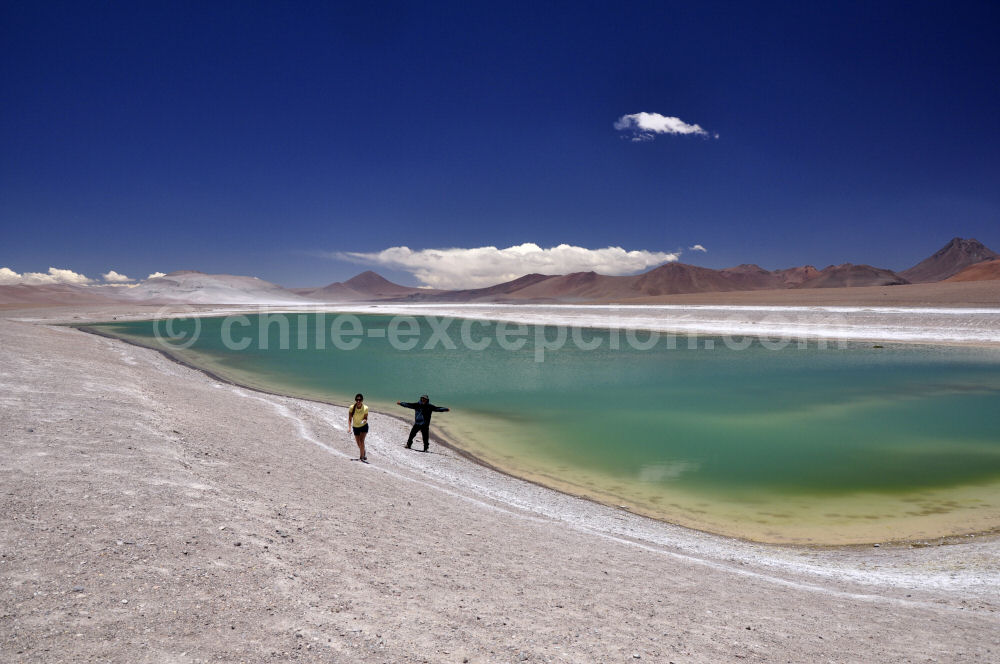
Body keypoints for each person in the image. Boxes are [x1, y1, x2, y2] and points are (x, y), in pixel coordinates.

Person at [348, 393, 369, 462]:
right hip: (355, 427)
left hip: (363, 426)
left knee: (361, 440)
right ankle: (363, 452)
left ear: (362, 400)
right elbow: (350, 418)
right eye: (357, 400)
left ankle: (361, 457)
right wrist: (349, 428)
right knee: (358, 443)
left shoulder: (365, 408)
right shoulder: (352, 407)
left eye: (359, 400)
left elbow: (366, 418)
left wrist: (364, 421)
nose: (358, 401)